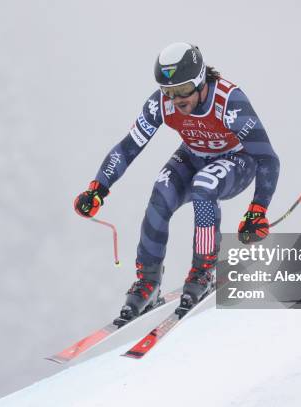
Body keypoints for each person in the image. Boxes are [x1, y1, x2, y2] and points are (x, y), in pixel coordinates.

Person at [74, 42, 280, 322]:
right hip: (193, 155)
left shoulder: (229, 102)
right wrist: (98, 188)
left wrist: (258, 209)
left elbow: (268, 158)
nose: (177, 99)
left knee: (204, 186)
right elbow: (128, 147)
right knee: (161, 193)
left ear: (200, 82)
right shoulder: (161, 103)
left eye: (183, 90)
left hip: (238, 160)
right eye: (169, 92)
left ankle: (203, 270)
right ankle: (148, 281)